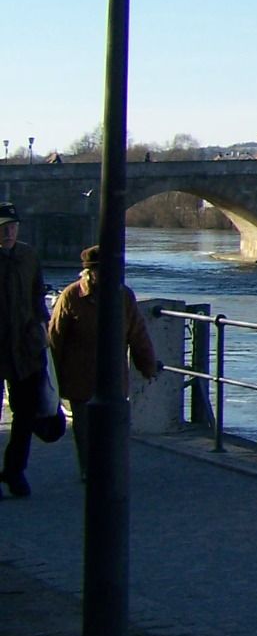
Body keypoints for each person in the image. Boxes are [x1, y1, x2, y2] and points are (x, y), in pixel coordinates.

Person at [47, 246, 160, 476]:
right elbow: (55, 338)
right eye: (100, 271)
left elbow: (137, 334)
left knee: (111, 427)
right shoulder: (71, 296)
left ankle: (107, 469)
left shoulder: (124, 296)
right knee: (85, 428)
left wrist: (147, 365)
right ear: (89, 273)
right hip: (79, 376)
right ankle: (89, 471)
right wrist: (52, 381)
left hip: (113, 378)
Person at [0, 202, 49, 498]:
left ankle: (15, 471)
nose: (8, 232)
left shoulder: (28, 255)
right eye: (3, 227)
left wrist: (41, 327)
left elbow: (37, 295)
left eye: (13, 227)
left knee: (26, 414)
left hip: (25, 348)